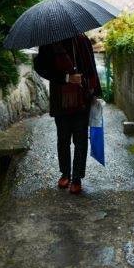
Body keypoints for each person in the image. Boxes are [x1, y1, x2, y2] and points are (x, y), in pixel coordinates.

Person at [33, 33, 102, 195]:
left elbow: (91, 66)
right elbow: (40, 67)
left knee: (80, 139)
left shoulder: (83, 40)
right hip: (60, 99)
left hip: (82, 98)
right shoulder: (50, 42)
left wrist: (95, 92)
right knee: (63, 138)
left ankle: (77, 178)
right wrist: (66, 78)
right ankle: (65, 174)